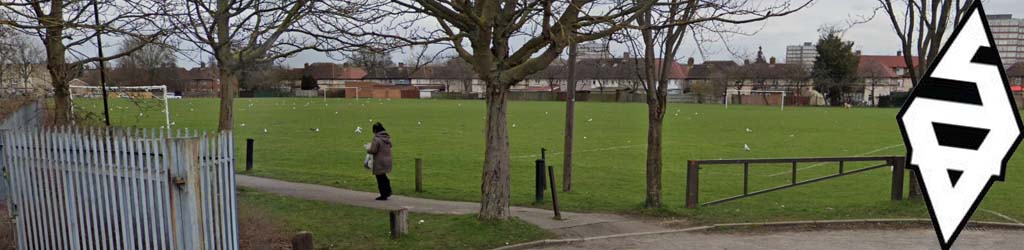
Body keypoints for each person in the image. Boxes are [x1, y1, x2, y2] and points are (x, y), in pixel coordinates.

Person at [366, 122, 393, 200]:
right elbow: (390, 146)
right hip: (387, 160)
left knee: (380, 178)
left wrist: (368, 149)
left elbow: (373, 150)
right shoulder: (387, 138)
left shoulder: (376, 139)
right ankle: (388, 191)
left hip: (379, 161)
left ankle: (384, 194)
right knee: (383, 176)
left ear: (375, 130)